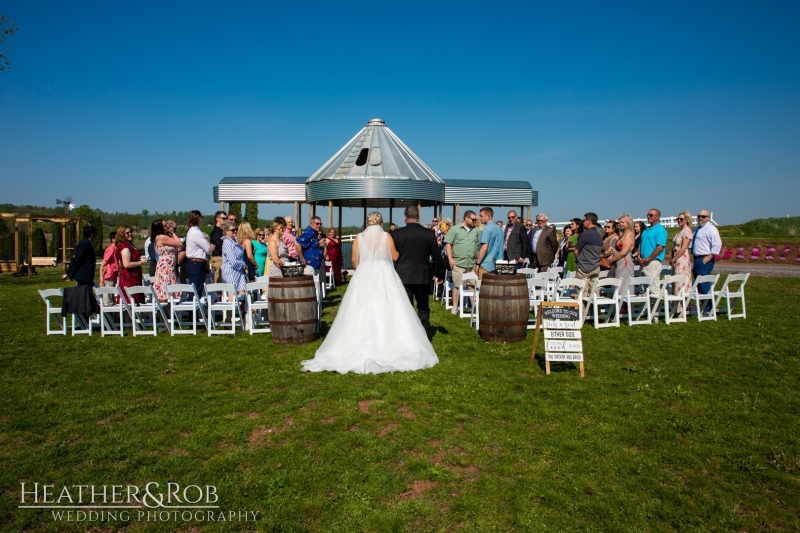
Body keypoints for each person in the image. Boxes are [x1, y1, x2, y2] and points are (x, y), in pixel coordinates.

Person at [301, 212, 438, 374]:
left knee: (361, 307)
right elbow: (394, 256)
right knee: (388, 305)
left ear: (367, 222)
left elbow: (353, 260)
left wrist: (363, 268)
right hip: (384, 272)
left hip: (364, 272)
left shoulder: (359, 237)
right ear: (380, 222)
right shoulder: (386, 236)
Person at [391, 205, 445, 330]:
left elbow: (392, 256)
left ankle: (406, 333)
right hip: (422, 275)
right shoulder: (429, 234)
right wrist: (440, 274)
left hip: (403, 275)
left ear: (405, 218)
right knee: (423, 307)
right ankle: (423, 333)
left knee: (405, 308)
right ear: (418, 217)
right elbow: (437, 257)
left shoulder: (397, 234)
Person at [444, 211, 480, 314]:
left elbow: (479, 245)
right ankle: (455, 307)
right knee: (457, 285)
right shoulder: (455, 229)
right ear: (466, 218)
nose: (475, 221)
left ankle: (473, 306)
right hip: (458, 262)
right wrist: (450, 259)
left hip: (471, 263)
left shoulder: (476, 230)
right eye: (473, 219)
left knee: (471, 285)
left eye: (475, 220)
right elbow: (448, 244)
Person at [692, 210, 722, 308]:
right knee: (698, 285)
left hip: (704, 259)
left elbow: (717, 243)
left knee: (704, 284)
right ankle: (704, 306)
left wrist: (709, 257)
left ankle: (709, 308)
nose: (700, 218)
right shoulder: (698, 229)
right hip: (696, 259)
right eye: (699, 216)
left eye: (703, 216)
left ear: (708, 218)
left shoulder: (710, 228)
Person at [152, 220, 182, 303]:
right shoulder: (161, 237)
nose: (168, 227)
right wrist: (172, 232)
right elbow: (179, 243)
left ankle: (168, 313)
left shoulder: (164, 236)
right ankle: (164, 313)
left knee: (169, 292)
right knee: (164, 293)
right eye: (165, 225)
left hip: (169, 267)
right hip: (165, 268)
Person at [185, 210, 213, 296]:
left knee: (195, 289)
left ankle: (192, 308)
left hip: (194, 262)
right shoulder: (196, 232)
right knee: (196, 290)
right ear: (198, 219)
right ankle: (192, 309)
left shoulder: (191, 231)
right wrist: (212, 246)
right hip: (197, 263)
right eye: (202, 218)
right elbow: (208, 249)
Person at [574, 213, 603, 298]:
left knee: (582, 292)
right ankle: (594, 310)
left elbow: (576, 250)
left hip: (583, 267)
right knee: (594, 292)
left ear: (589, 221)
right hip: (595, 266)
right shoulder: (599, 235)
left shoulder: (584, 235)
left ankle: (582, 311)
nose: (583, 223)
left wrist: (577, 260)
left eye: (584, 220)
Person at [640, 208, 668, 296]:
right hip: (643, 262)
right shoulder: (645, 230)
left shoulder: (660, 230)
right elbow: (641, 245)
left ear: (657, 217)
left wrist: (648, 259)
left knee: (654, 290)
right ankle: (647, 309)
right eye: (648, 215)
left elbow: (659, 247)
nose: (648, 217)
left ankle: (655, 309)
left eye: (651, 215)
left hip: (653, 262)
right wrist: (639, 257)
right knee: (645, 289)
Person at [115, 226, 145, 304]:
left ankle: (135, 316)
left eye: (130, 232)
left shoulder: (131, 245)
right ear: (122, 235)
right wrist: (141, 262)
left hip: (136, 275)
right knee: (130, 300)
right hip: (129, 277)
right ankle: (128, 316)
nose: (130, 234)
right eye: (127, 233)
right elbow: (126, 264)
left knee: (136, 300)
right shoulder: (125, 247)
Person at [474, 207, 504, 279]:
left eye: (481, 216)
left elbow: (484, 248)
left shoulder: (486, 229)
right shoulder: (499, 229)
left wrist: (478, 263)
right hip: (499, 264)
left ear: (488, 216)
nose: (480, 218)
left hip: (486, 265)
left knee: (483, 288)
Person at [669, 210, 694, 295]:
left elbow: (683, 248)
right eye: (678, 219)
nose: (679, 220)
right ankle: (676, 305)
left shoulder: (687, 231)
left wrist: (674, 259)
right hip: (676, 258)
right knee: (676, 280)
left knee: (680, 280)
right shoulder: (680, 231)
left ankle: (681, 306)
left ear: (687, 220)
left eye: (681, 219)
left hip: (681, 259)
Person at [609, 214, 635, 292]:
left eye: (622, 222)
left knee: (624, 287)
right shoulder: (623, 234)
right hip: (619, 263)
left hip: (625, 263)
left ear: (628, 223)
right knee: (619, 287)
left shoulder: (629, 234)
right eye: (619, 222)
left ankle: (625, 303)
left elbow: (624, 252)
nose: (620, 224)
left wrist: (612, 259)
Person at [221, 221, 246, 295]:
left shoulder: (235, 241)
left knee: (243, 292)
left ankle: (242, 307)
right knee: (232, 294)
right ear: (226, 232)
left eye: (236, 229)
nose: (235, 231)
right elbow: (233, 262)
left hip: (239, 271)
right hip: (231, 272)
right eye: (232, 230)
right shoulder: (227, 243)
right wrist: (244, 265)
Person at [98, 231, 119, 305]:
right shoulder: (111, 249)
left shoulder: (116, 249)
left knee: (112, 299)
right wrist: (101, 279)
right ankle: (107, 316)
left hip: (113, 275)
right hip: (109, 276)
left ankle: (112, 316)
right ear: (113, 239)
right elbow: (103, 264)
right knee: (108, 300)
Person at [209, 211, 226, 282]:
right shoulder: (216, 231)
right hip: (218, 257)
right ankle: (218, 293)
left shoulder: (222, 231)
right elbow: (218, 244)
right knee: (218, 280)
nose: (225, 220)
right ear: (217, 219)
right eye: (224, 218)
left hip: (222, 257)